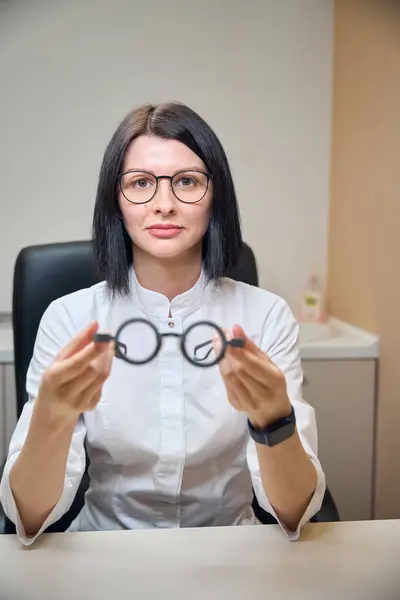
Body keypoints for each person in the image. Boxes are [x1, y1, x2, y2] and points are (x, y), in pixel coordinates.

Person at [0, 102, 325, 545]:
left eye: (187, 181)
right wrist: (51, 419)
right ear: (116, 200)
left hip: (232, 553)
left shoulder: (265, 317)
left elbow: (295, 514)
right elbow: (29, 518)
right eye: (141, 184)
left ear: (217, 196)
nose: (164, 204)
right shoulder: (71, 318)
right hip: (104, 553)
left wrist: (274, 420)